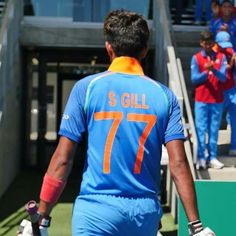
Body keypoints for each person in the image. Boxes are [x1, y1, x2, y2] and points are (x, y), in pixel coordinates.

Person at [18, 10, 215, 236]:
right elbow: (178, 164)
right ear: (143, 50)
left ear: (108, 48)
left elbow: (62, 160)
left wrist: (42, 217)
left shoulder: (86, 88)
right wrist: (196, 227)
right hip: (144, 213)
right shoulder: (164, 96)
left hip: (95, 212)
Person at [191, 30, 227, 170]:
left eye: (210, 43)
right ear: (201, 43)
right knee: (201, 129)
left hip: (217, 100)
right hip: (201, 99)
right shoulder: (197, 58)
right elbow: (194, 79)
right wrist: (207, 72)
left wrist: (215, 70)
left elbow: (223, 77)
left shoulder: (221, 57)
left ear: (213, 43)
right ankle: (201, 157)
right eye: (205, 43)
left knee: (214, 130)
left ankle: (212, 157)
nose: (207, 46)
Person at [214, 31, 236, 155]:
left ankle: (234, 146)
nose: (225, 48)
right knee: (215, 121)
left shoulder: (230, 51)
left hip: (232, 89)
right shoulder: (213, 53)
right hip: (218, 90)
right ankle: (212, 150)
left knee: (235, 120)